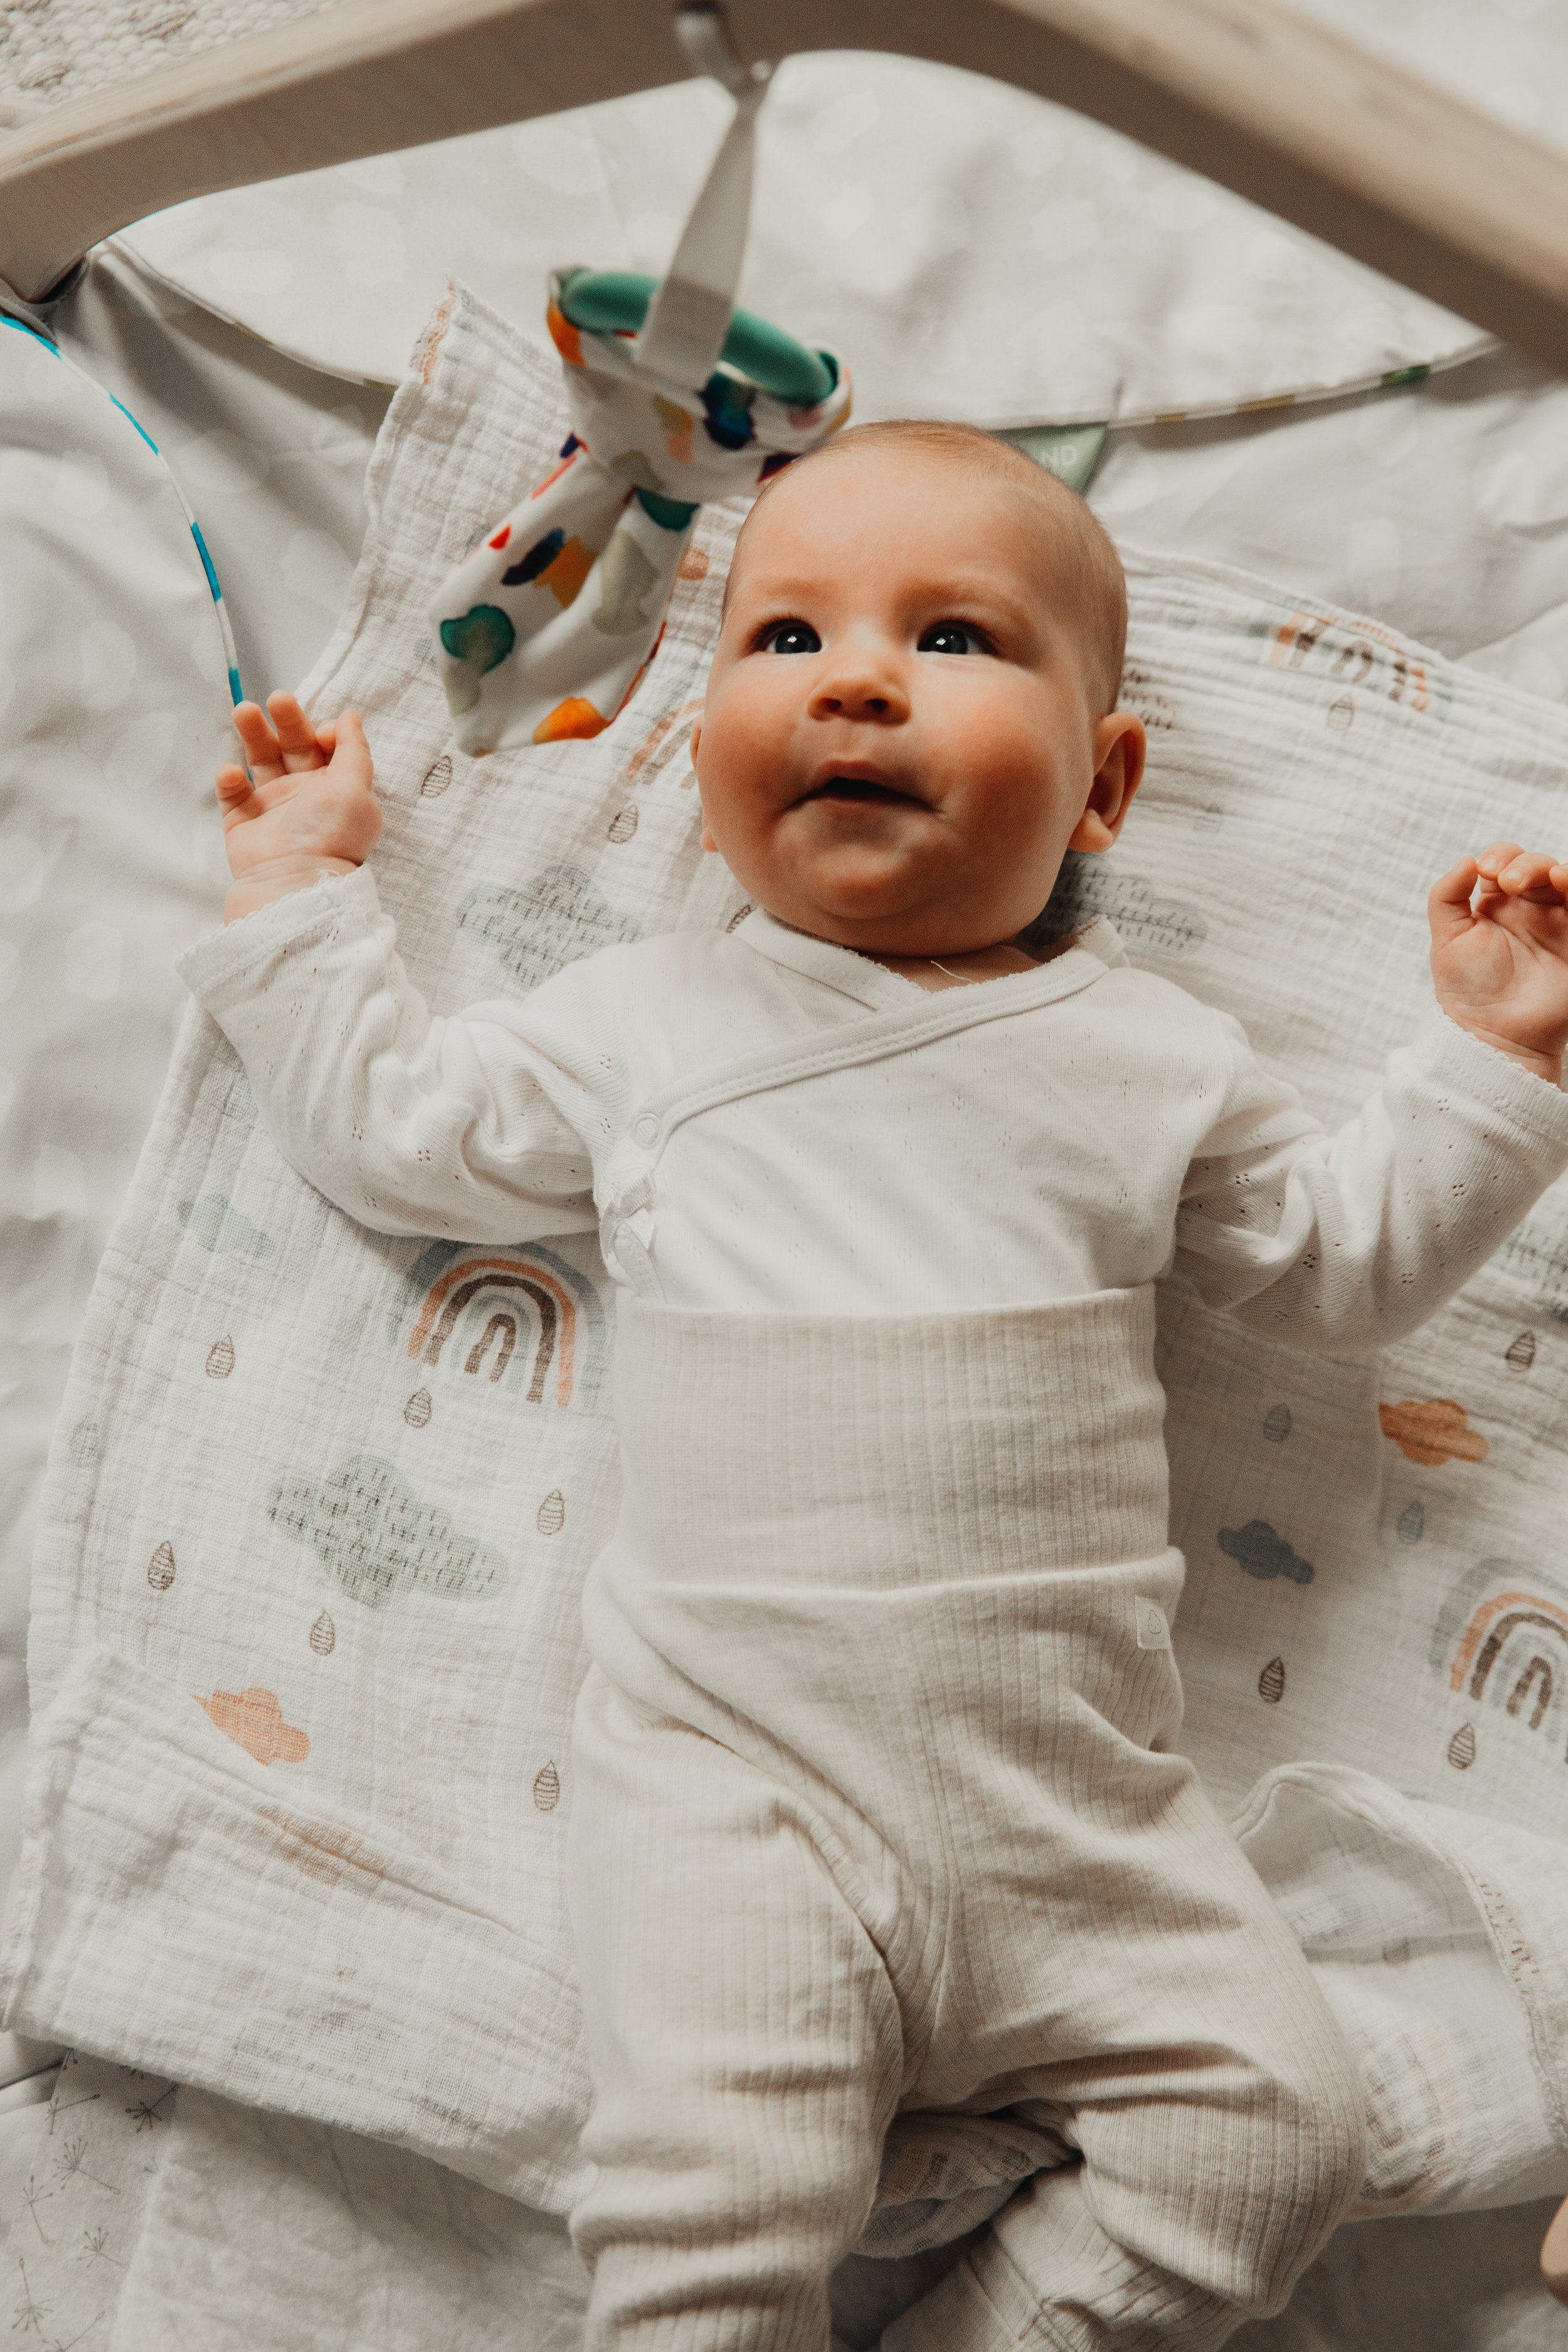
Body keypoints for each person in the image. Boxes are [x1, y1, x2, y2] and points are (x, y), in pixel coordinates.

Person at [187, 419, 1568, 2352]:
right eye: (785, 639)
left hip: (1081, 1818)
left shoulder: (1153, 1053)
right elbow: (403, 1133)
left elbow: (1341, 1267)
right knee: (710, 2209)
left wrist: (1491, 1062)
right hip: (740, 1798)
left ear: (1102, 787)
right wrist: (300, 896)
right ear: (699, 765)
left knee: (1273, 2137)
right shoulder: (649, 1021)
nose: (854, 679)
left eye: (952, 638)